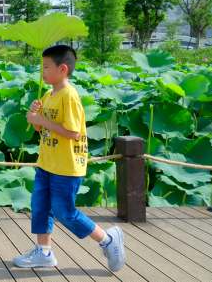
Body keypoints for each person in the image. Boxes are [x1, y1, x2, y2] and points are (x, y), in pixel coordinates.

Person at [13, 45, 126, 272]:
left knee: (65, 212)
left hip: (66, 167)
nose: (42, 72)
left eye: (46, 67)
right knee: (40, 206)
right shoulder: (49, 94)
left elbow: (73, 132)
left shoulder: (69, 95)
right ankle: (43, 252)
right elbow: (40, 129)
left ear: (62, 69)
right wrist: (34, 116)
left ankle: (107, 239)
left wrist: (42, 121)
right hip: (46, 163)